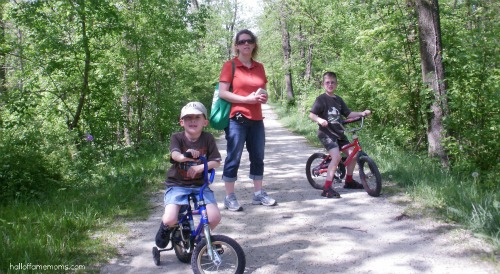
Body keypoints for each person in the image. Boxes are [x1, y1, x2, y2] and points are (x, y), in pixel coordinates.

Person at [217, 29, 277, 211]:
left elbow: (262, 91)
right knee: (233, 157)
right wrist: (245, 100)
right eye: (242, 41)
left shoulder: (260, 67)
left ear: (254, 44)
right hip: (237, 118)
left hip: (257, 119)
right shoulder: (230, 66)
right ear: (236, 46)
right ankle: (229, 197)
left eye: (249, 41)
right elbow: (223, 93)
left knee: (258, 157)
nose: (246, 44)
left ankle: (258, 194)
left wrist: (262, 98)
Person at [155, 102, 222, 248]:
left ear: (205, 122)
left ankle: (204, 239)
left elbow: (216, 162)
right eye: (188, 118)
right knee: (170, 218)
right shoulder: (177, 137)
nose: (192, 121)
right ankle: (166, 228)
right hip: (177, 185)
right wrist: (184, 156)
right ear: (181, 122)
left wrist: (200, 167)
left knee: (215, 217)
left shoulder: (208, 138)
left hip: (200, 186)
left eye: (197, 117)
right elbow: (175, 154)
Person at [308, 72, 372, 198]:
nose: (330, 84)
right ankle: (326, 189)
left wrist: (362, 113)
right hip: (326, 134)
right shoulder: (321, 99)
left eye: (333, 82)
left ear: (336, 84)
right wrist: (320, 120)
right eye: (327, 82)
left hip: (339, 133)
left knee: (353, 154)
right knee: (336, 157)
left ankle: (349, 181)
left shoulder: (338, 100)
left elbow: (348, 114)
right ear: (323, 84)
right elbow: (312, 114)